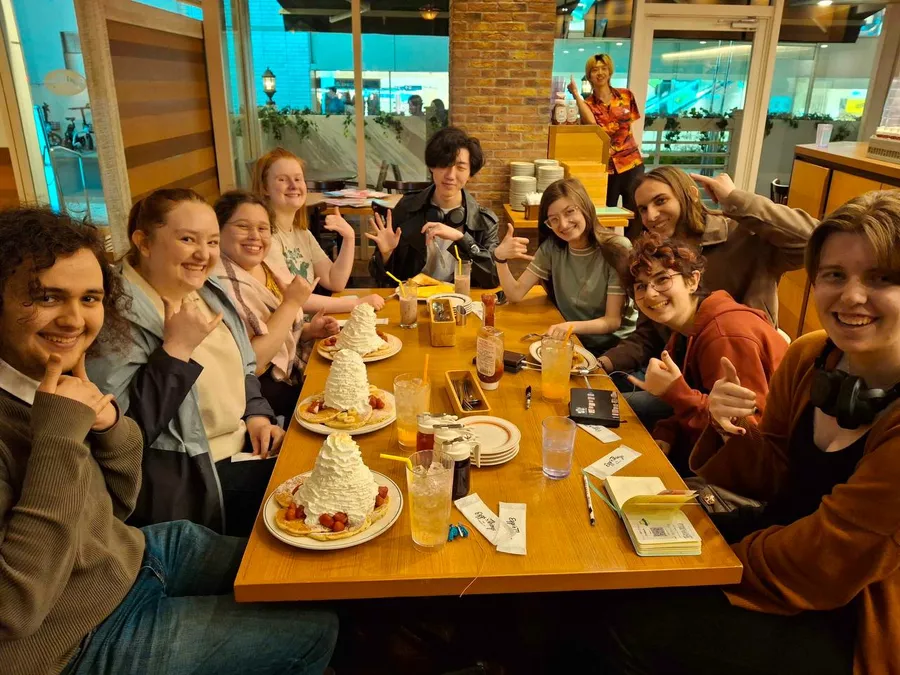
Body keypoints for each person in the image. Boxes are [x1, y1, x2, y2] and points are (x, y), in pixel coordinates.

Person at [0, 207, 337, 675]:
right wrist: (59, 439)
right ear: (143, 242)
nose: (73, 319)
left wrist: (108, 428)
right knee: (316, 627)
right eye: (46, 297)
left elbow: (119, 500)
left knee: (317, 573)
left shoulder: (55, 378)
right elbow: (13, 610)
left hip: (127, 556)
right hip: (76, 636)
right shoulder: (73, 374)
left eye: (89, 298)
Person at [587, 190, 900, 675]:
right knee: (611, 559)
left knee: (630, 620)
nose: (852, 296)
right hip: (777, 540)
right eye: (835, 275)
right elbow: (772, 470)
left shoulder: (727, 331)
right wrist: (727, 427)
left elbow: (827, 561)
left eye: (882, 278)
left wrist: (709, 566)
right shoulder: (812, 354)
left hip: (850, 613)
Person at [87, 188, 285, 537]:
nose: (203, 254)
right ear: (143, 243)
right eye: (187, 239)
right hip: (196, 479)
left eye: (212, 242)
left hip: (245, 447)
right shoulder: (113, 317)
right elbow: (123, 436)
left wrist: (256, 414)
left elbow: (245, 368)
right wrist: (176, 351)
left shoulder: (207, 290)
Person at [600, 166, 817, 429]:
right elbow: (648, 335)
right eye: (643, 209)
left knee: (620, 413)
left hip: (739, 374)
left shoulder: (741, 236)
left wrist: (736, 199)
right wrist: (602, 363)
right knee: (599, 401)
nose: (651, 216)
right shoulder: (660, 255)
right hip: (687, 376)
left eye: (661, 201)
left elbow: (814, 241)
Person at [622, 233, 787, 470]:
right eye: (641, 286)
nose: (650, 293)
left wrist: (674, 391)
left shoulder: (724, 335)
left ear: (692, 280)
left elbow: (744, 435)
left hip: (763, 469)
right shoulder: (685, 331)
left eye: (662, 279)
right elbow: (696, 397)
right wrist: (667, 433)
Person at [213, 190, 339, 420]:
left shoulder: (266, 266)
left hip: (293, 376)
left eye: (263, 228)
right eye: (243, 226)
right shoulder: (221, 284)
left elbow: (276, 331)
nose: (255, 236)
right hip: (264, 401)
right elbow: (254, 362)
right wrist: (291, 303)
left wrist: (308, 331)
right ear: (218, 231)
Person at [492, 178, 636, 353]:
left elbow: (612, 321)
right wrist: (500, 258)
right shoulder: (552, 248)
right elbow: (515, 294)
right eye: (554, 219)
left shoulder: (616, 248)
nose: (563, 224)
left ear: (585, 206)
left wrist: (569, 327)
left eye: (569, 212)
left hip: (615, 348)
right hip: (572, 340)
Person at [253, 147, 384, 312]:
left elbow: (334, 280)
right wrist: (356, 304)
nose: (293, 186)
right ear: (264, 188)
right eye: (282, 179)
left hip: (309, 325)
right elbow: (291, 297)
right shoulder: (265, 238)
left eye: (298, 179)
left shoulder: (302, 233)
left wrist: (349, 237)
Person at [367, 126, 500, 288]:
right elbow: (381, 277)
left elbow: (493, 279)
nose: (450, 175)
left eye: (460, 167)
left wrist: (462, 239)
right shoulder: (407, 208)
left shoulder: (484, 221)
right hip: (414, 298)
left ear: (470, 173)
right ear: (432, 166)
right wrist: (385, 255)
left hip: (460, 300)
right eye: (444, 164)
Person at [568, 53, 644, 234]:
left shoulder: (626, 95)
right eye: (595, 70)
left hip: (631, 163)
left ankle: (636, 250)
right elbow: (592, 124)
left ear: (610, 72)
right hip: (606, 167)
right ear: (589, 75)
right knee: (605, 216)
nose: (600, 73)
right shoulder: (588, 104)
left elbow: (630, 125)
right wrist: (576, 94)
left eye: (604, 68)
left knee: (636, 214)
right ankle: (609, 248)